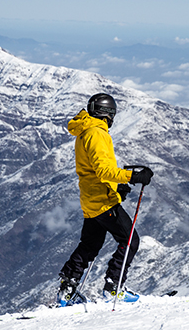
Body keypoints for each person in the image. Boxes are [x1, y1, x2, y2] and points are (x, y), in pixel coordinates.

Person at [57, 93, 154, 305]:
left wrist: (117, 188)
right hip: (102, 201)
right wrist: (133, 177)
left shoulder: (84, 130)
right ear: (108, 114)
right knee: (130, 240)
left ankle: (67, 290)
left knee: (90, 245)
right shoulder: (97, 133)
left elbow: (93, 171)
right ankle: (113, 287)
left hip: (91, 198)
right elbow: (103, 170)